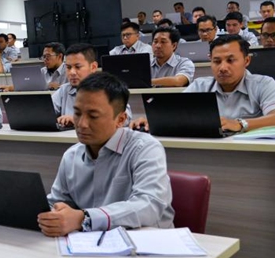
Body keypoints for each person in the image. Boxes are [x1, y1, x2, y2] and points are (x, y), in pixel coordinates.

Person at [37, 72, 174, 236]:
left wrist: (84, 218)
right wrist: (53, 214)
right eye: (77, 113)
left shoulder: (145, 148)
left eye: (93, 116)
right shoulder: (71, 155)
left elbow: (149, 205)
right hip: (91, 243)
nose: (81, 124)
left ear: (121, 119)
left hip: (146, 244)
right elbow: (58, 201)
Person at [131, 35, 275, 133]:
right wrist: (151, 119)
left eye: (231, 60)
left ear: (247, 60)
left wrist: (239, 124)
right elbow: (175, 112)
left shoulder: (263, 84)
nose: (222, 67)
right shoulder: (200, 85)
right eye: (216, 61)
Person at [0, 43, 66, 92]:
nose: (45, 60)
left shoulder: (68, 71)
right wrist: (9, 87)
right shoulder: (42, 71)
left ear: (60, 56)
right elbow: (29, 86)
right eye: (43, 57)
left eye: (48, 56)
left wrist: (60, 87)